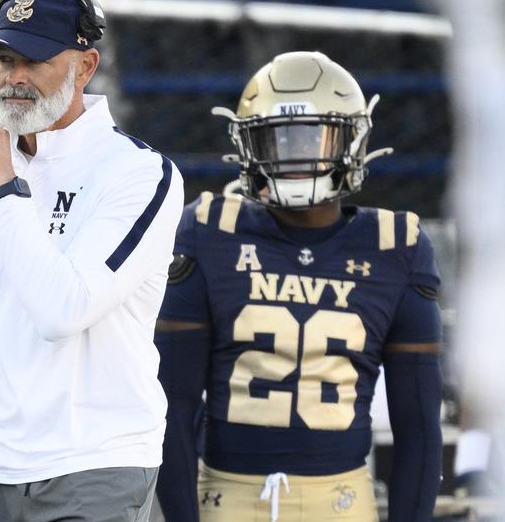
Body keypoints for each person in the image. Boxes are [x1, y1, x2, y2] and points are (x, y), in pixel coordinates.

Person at [157, 51, 443, 521]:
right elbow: (173, 408)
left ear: (353, 142)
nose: (297, 156)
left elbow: (419, 428)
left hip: (341, 501)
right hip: (228, 498)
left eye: (315, 137)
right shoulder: (210, 229)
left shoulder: (397, 245)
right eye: (279, 140)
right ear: (248, 145)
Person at [0, 0, 185, 521]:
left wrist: (6, 189)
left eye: (35, 60)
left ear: (86, 65)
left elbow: (63, 310)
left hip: (95, 461)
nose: (14, 78)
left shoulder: (140, 172)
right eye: (4, 59)